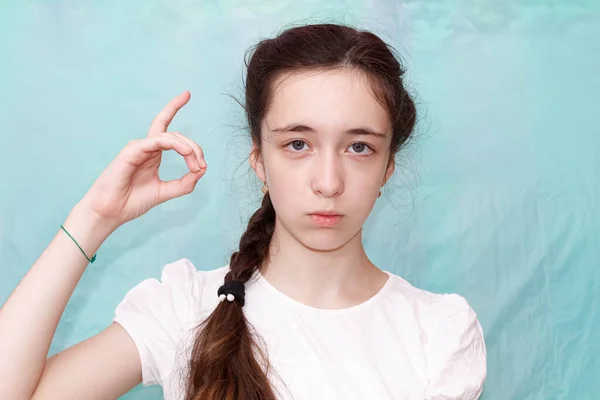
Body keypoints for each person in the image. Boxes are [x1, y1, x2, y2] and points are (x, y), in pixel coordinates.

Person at [0, 23, 486, 400]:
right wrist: (95, 217)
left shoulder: (438, 330)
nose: (328, 182)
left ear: (387, 167)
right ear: (259, 158)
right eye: (298, 143)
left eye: (359, 147)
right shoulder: (185, 307)